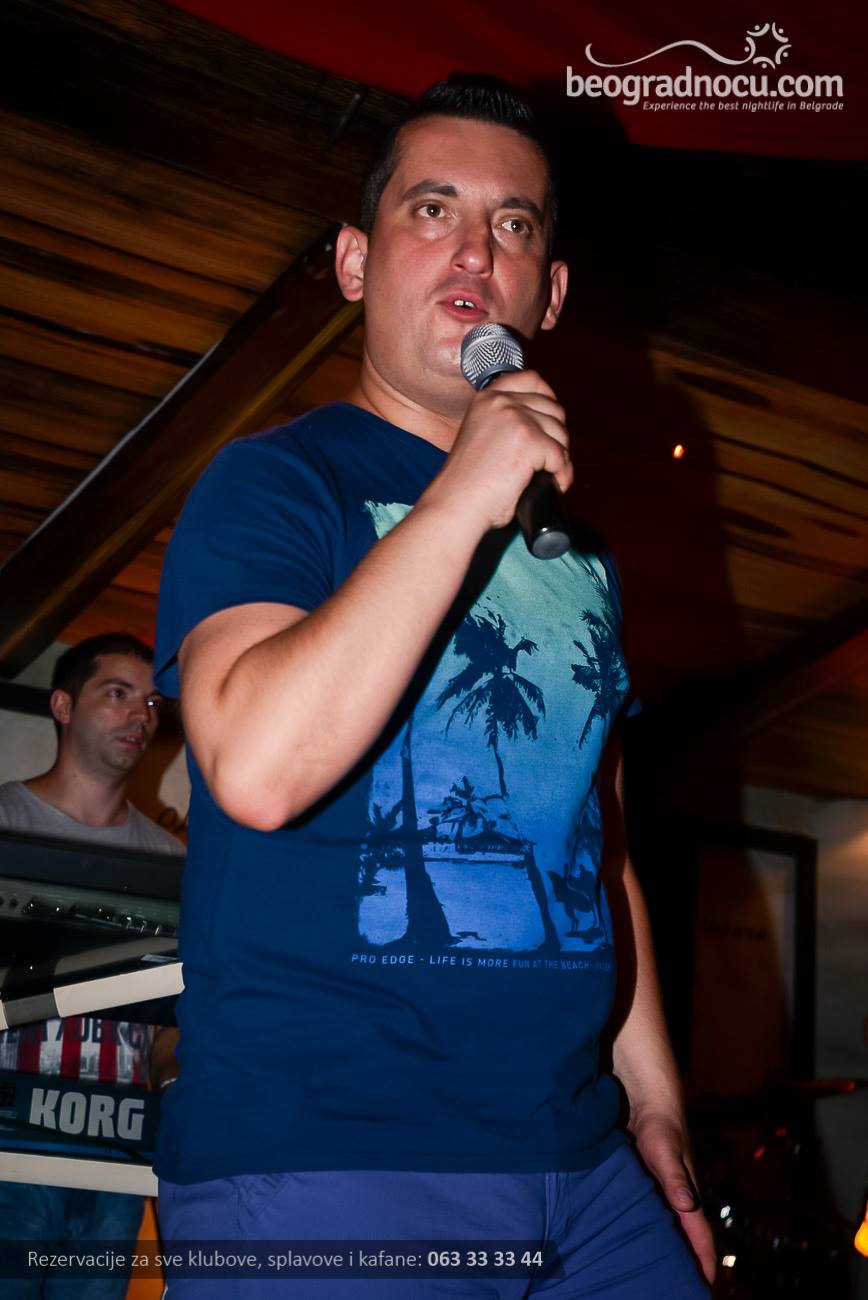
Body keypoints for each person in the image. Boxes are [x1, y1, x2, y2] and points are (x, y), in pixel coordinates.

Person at [153, 74, 715, 1297]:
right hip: (332, 1164)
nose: (475, 248)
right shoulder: (272, 484)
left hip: (580, 1164)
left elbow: (597, 840)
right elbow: (255, 769)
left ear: (547, 293)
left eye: (513, 223)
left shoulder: (580, 556)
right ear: (355, 262)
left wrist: (653, 1097)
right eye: (431, 209)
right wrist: (464, 493)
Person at [0, 632, 184, 1299]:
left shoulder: (174, 861)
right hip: (9, 1147)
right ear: (63, 706)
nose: (142, 715)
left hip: (115, 1155)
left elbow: (171, 1017)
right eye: (117, 693)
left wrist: (175, 1086)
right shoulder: (4, 820)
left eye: (152, 702)